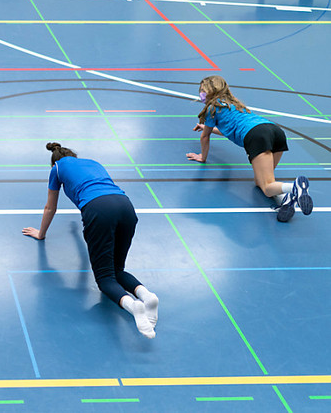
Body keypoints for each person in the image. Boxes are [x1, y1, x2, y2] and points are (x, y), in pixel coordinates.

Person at [23, 142, 158, 339]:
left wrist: (41, 234)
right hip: (125, 206)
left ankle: (134, 307)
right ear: (74, 156)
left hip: (98, 210)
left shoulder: (57, 169)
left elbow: (50, 208)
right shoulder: (93, 163)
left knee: (105, 279)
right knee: (117, 270)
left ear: (54, 162)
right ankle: (148, 296)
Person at [186, 75, 313, 222]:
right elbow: (229, 130)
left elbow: (204, 137)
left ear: (209, 92)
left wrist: (203, 157)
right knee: (262, 182)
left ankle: (295, 187)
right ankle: (287, 198)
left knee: (266, 187)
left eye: (202, 91)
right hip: (275, 132)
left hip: (257, 137)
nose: (201, 95)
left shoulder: (211, 108)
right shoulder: (234, 104)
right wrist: (206, 128)